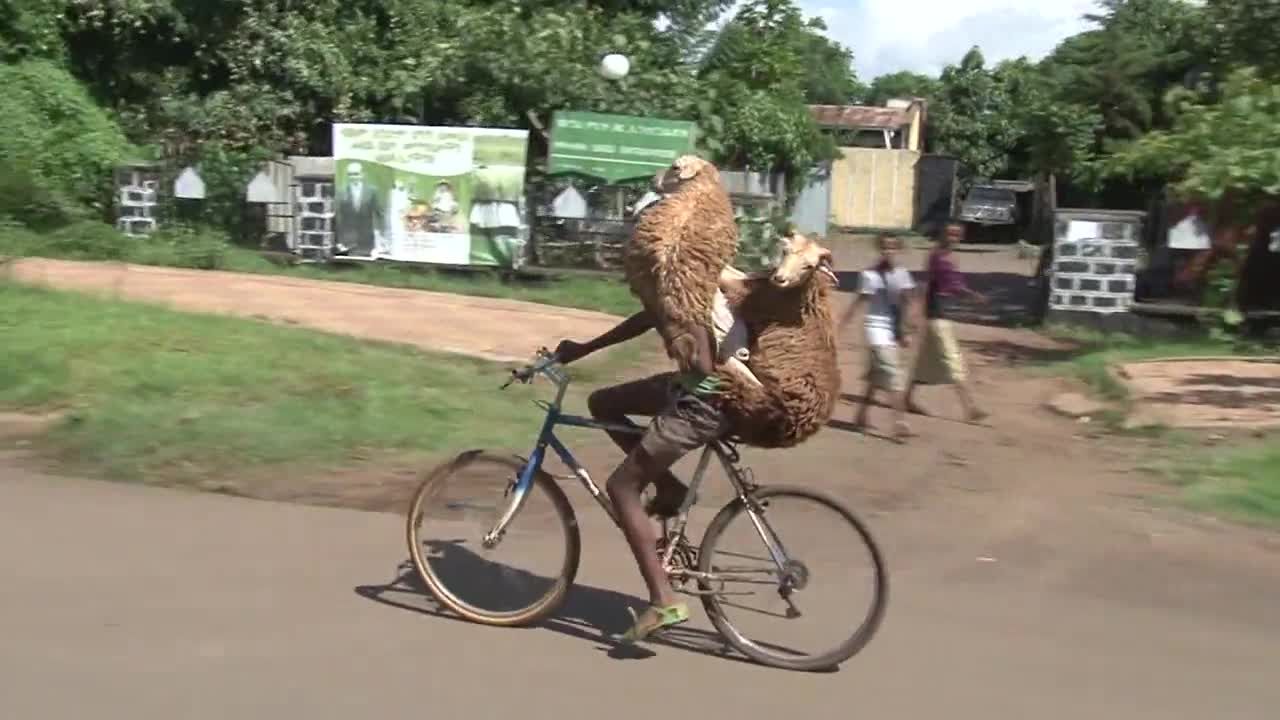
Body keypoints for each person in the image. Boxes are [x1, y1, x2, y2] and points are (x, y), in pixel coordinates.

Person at [554, 304, 728, 644]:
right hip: (688, 390)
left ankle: (663, 601)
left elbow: (703, 365)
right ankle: (669, 488)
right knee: (603, 403)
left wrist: (684, 341)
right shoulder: (676, 285)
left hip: (701, 404)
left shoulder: (683, 287)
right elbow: (647, 317)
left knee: (621, 487)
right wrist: (584, 348)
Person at [906, 221, 989, 423]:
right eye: (949, 234)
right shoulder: (938, 256)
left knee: (924, 364)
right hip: (937, 315)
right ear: (943, 234)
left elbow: (951, 286)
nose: (952, 238)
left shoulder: (949, 257)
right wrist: (916, 312)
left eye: (956, 235)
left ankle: (906, 398)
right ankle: (971, 407)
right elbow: (928, 284)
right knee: (953, 360)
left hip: (941, 314)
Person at [838, 235, 917, 440]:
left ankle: (861, 414)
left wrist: (907, 329)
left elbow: (908, 302)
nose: (888, 251)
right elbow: (859, 302)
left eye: (892, 247)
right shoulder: (869, 275)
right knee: (893, 374)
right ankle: (899, 422)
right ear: (879, 249)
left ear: (898, 249)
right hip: (875, 329)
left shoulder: (902, 275)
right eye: (884, 247)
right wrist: (842, 325)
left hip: (892, 330)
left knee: (877, 377)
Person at [335, 162, 385, 257]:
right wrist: (338, 240)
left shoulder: (372, 191)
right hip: (348, 238)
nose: (353, 177)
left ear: (362, 174)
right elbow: (338, 216)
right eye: (350, 174)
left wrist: (380, 235)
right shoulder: (342, 192)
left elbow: (379, 214)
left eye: (356, 174)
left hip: (367, 238)